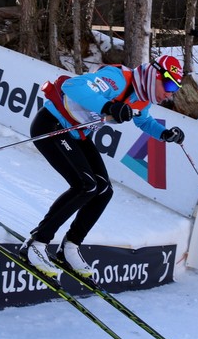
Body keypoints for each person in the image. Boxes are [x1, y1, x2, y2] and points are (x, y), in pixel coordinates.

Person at [20, 56, 186, 279]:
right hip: (53, 125)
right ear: (154, 75)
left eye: (174, 89)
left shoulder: (141, 98)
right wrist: (108, 105)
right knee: (86, 186)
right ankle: (37, 243)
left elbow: (143, 121)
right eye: (168, 85)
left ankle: (70, 247)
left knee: (104, 190)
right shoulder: (117, 79)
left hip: (77, 134)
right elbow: (72, 86)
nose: (169, 94)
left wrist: (164, 134)